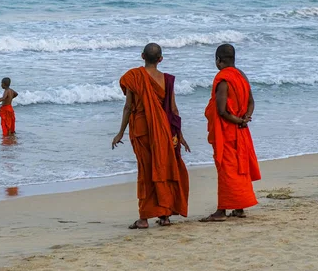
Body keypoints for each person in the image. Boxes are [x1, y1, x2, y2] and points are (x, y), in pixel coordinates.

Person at [112, 43, 190, 229]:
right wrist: (180, 135)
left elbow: (129, 107)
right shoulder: (167, 80)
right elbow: (173, 110)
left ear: (142, 56)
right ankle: (165, 216)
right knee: (163, 168)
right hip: (163, 131)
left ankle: (144, 218)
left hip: (142, 130)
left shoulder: (134, 77)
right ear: (161, 59)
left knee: (147, 172)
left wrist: (120, 131)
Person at [201, 44, 261, 222]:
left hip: (227, 132)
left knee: (227, 170)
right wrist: (246, 118)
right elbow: (251, 101)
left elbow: (221, 111)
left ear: (218, 60)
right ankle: (239, 207)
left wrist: (238, 120)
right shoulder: (241, 75)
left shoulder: (223, 79)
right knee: (239, 168)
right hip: (241, 130)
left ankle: (221, 211)